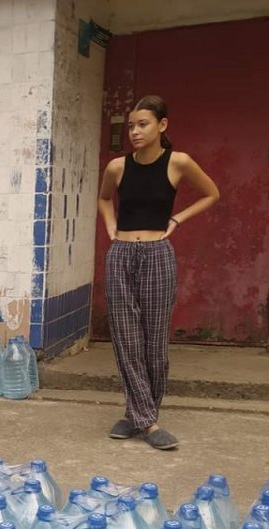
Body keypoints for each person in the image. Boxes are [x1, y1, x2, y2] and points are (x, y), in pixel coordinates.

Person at [97, 95, 219, 450]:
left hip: (157, 255)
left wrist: (177, 219)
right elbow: (104, 198)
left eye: (143, 124)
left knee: (154, 344)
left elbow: (212, 193)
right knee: (125, 339)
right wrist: (111, 227)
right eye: (132, 126)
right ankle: (148, 422)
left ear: (162, 125)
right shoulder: (117, 167)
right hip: (121, 254)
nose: (135, 132)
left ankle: (136, 413)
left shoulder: (178, 162)